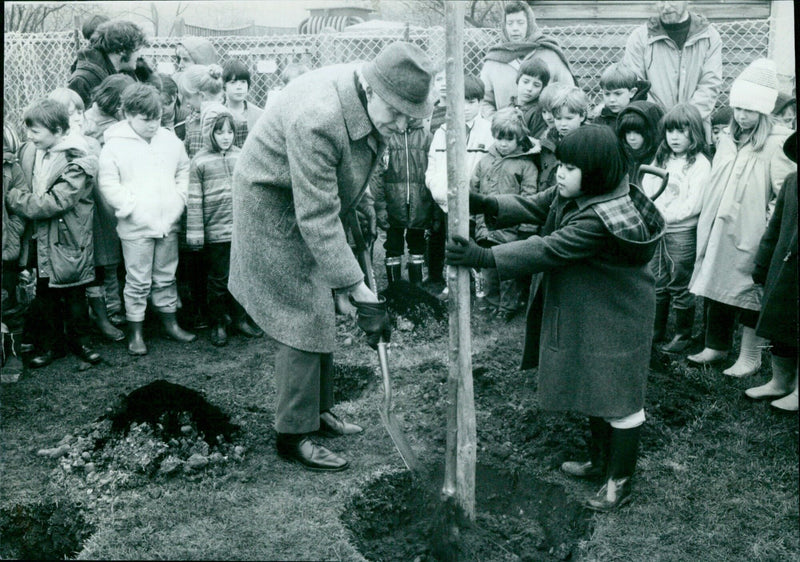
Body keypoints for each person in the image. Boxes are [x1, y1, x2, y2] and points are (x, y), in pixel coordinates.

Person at [229, 41, 432, 472]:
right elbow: (317, 216)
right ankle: (292, 433)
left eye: (408, 116)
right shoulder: (319, 118)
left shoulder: (366, 99)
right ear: (371, 89)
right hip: (274, 206)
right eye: (395, 112)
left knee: (322, 303)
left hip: (313, 202)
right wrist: (356, 284)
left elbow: (350, 177)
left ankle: (317, 411)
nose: (399, 124)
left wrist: (359, 239)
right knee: (301, 312)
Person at [446, 124, 665, 511]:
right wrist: (484, 203)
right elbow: (535, 204)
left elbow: (548, 249)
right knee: (597, 387)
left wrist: (483, 257)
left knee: (620, 397)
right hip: (592, 309)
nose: (560, 173)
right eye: (560, 164)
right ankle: (599, 461)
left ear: (595, 172)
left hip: (618, 316)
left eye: (570, 167)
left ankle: (620, 480)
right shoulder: (578, 194)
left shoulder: (598, 220)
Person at [688, 59, 794, 376]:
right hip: (720, 229)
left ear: (763, 111)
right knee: (716, 285)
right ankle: (716, 345)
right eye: (738, 109)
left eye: (749, 110)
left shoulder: (777, 144)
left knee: (749, 292)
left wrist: (765, 227)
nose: (742, 116)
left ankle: (750, 355)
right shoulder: (727, 140)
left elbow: (783, 194)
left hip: (752, 232)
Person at [98, 83, 195, 356]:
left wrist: (179, 200)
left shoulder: (170, 140)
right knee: (138, 279)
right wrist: (130, 206)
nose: (153, 124)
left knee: (166, 275)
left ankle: (169, 323)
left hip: (168, 223)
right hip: (135, 226)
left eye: (157, 118)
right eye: (146, 119)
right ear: (128, 114)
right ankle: (136, 331)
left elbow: (183, 170)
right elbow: (108, 183)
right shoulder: (114, 145)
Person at [6, 99, 102, 368]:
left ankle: (81, 341)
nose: (29, 136)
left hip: (69, 238)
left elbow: (55, 202)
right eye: (29, 130)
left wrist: (13, 197)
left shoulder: (77, 160)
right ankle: (51, 344)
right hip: (41, 238)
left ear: (58, 130)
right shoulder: (32, 151)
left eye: (36, 131)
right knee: (46, 293)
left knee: (75, 292)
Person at [186, 104, 263, 346]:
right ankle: (218, 322)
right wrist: (196, 234)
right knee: (219, 279)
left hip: (240, 231)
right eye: (220, 132)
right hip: (216, 233)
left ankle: (240, 318)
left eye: (229, 132)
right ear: (210, 133)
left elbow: (252, 194)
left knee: (241, 276)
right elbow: (195, 201)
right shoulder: (200, 162)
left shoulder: (242, 155)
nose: (225, 137)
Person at [642, 103, 711, 351]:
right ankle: (656, 328)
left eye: (682, 131)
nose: (675, 137)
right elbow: (649, 182)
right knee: (656, 279)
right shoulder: (662, 157)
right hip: (658, 230)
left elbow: (694, 204)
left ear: (695, 133)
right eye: (671, 131)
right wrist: (652, 211)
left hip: (681, 233)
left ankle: (683, 333)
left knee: (680, 283)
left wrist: (666, 216)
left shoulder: (699, 164)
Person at [425, 74, 494, 295]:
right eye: (460, 101)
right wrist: (442, 193)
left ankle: (480, 284)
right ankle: (452, 282)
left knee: (476, 241)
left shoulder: (490, 131)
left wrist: (475, 196)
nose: (464, 107)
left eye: (471, 102)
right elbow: (433, 167)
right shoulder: (442, 133)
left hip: (476, 201)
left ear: (481, 103)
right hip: (448, 201)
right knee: (452, 241)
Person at [745, 132, 797, 411]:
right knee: (780, 324)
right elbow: (774, 228)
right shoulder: (791, 182)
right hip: (785, 270)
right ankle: (781, 380)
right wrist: (762, 268)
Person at [471, 107, 539, 320]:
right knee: (488, 268)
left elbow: (530, 197)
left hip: (511, 230)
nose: (503, 143)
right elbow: (474, 189)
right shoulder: (484, 161)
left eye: (509, 139)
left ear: (519, 139)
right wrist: (473, 220)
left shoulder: (526, 165)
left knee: (508, 271)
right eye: (500, 138)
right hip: (486, 228)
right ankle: (492, 302)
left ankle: (508, 307)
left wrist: (526, 228)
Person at [620, 1, 722, 137]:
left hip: (695, 128)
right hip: (653, 128)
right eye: (661, 0)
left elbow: (710, 83)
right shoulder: (640, 37)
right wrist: (657, 119)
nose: (666, 6)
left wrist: (686, 119)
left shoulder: (709, 36)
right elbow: (635, 83)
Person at [480, 1, 574, 118]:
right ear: (504, 26)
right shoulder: (493, 60)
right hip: (506, 132)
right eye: (510, 23)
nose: (515, 28)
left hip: (542, 128)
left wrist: (554, 122)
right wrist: (497, 122)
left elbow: (570, 93)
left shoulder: (550, 54)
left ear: (529, 24)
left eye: (520, 23)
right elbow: (483, 101)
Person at [372, 115, 433, 287]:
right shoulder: (386, 136)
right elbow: (377, 175)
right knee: (392, 246)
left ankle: (417, 288)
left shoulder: (427, 137)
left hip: (420, 201)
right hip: (393, 203)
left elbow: (434, 171)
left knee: (417, 245)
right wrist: (380, 206)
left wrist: (431, 207)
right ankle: (395, 288)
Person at [68, 20, 148, 107]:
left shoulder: (125, 72)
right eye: (136, 50)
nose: (139, 55)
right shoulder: (83, 80)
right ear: (121, 50)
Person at [538, 86, 590, 191]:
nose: (563, 124)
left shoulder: (589, 143)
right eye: (558, 118)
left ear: (582, 116)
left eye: (569, 118)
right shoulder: (547, 141)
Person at [616, 100, 665, 186]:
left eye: (638, 132)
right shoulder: (620, 157)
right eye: (627, 132)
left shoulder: (662, 159)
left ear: (652, 131)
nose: (631, 138)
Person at [592, 64, 651, 129]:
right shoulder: (600, 119)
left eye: (618, 94)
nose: (612, 99)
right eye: (607, 94)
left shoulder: (644, 116)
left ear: (632, 92)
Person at [509, 56, 550, 140]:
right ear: (518, 80)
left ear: (542, 88)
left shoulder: (537, 113)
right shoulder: (512, 104)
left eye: (536, 85)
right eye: (526, 82)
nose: (529, 88)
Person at [222, 59, 263, 135]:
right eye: (233, 82)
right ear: (224, 86)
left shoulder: (259, 115)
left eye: (243, 82)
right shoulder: (218, 113)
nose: (239, 87)